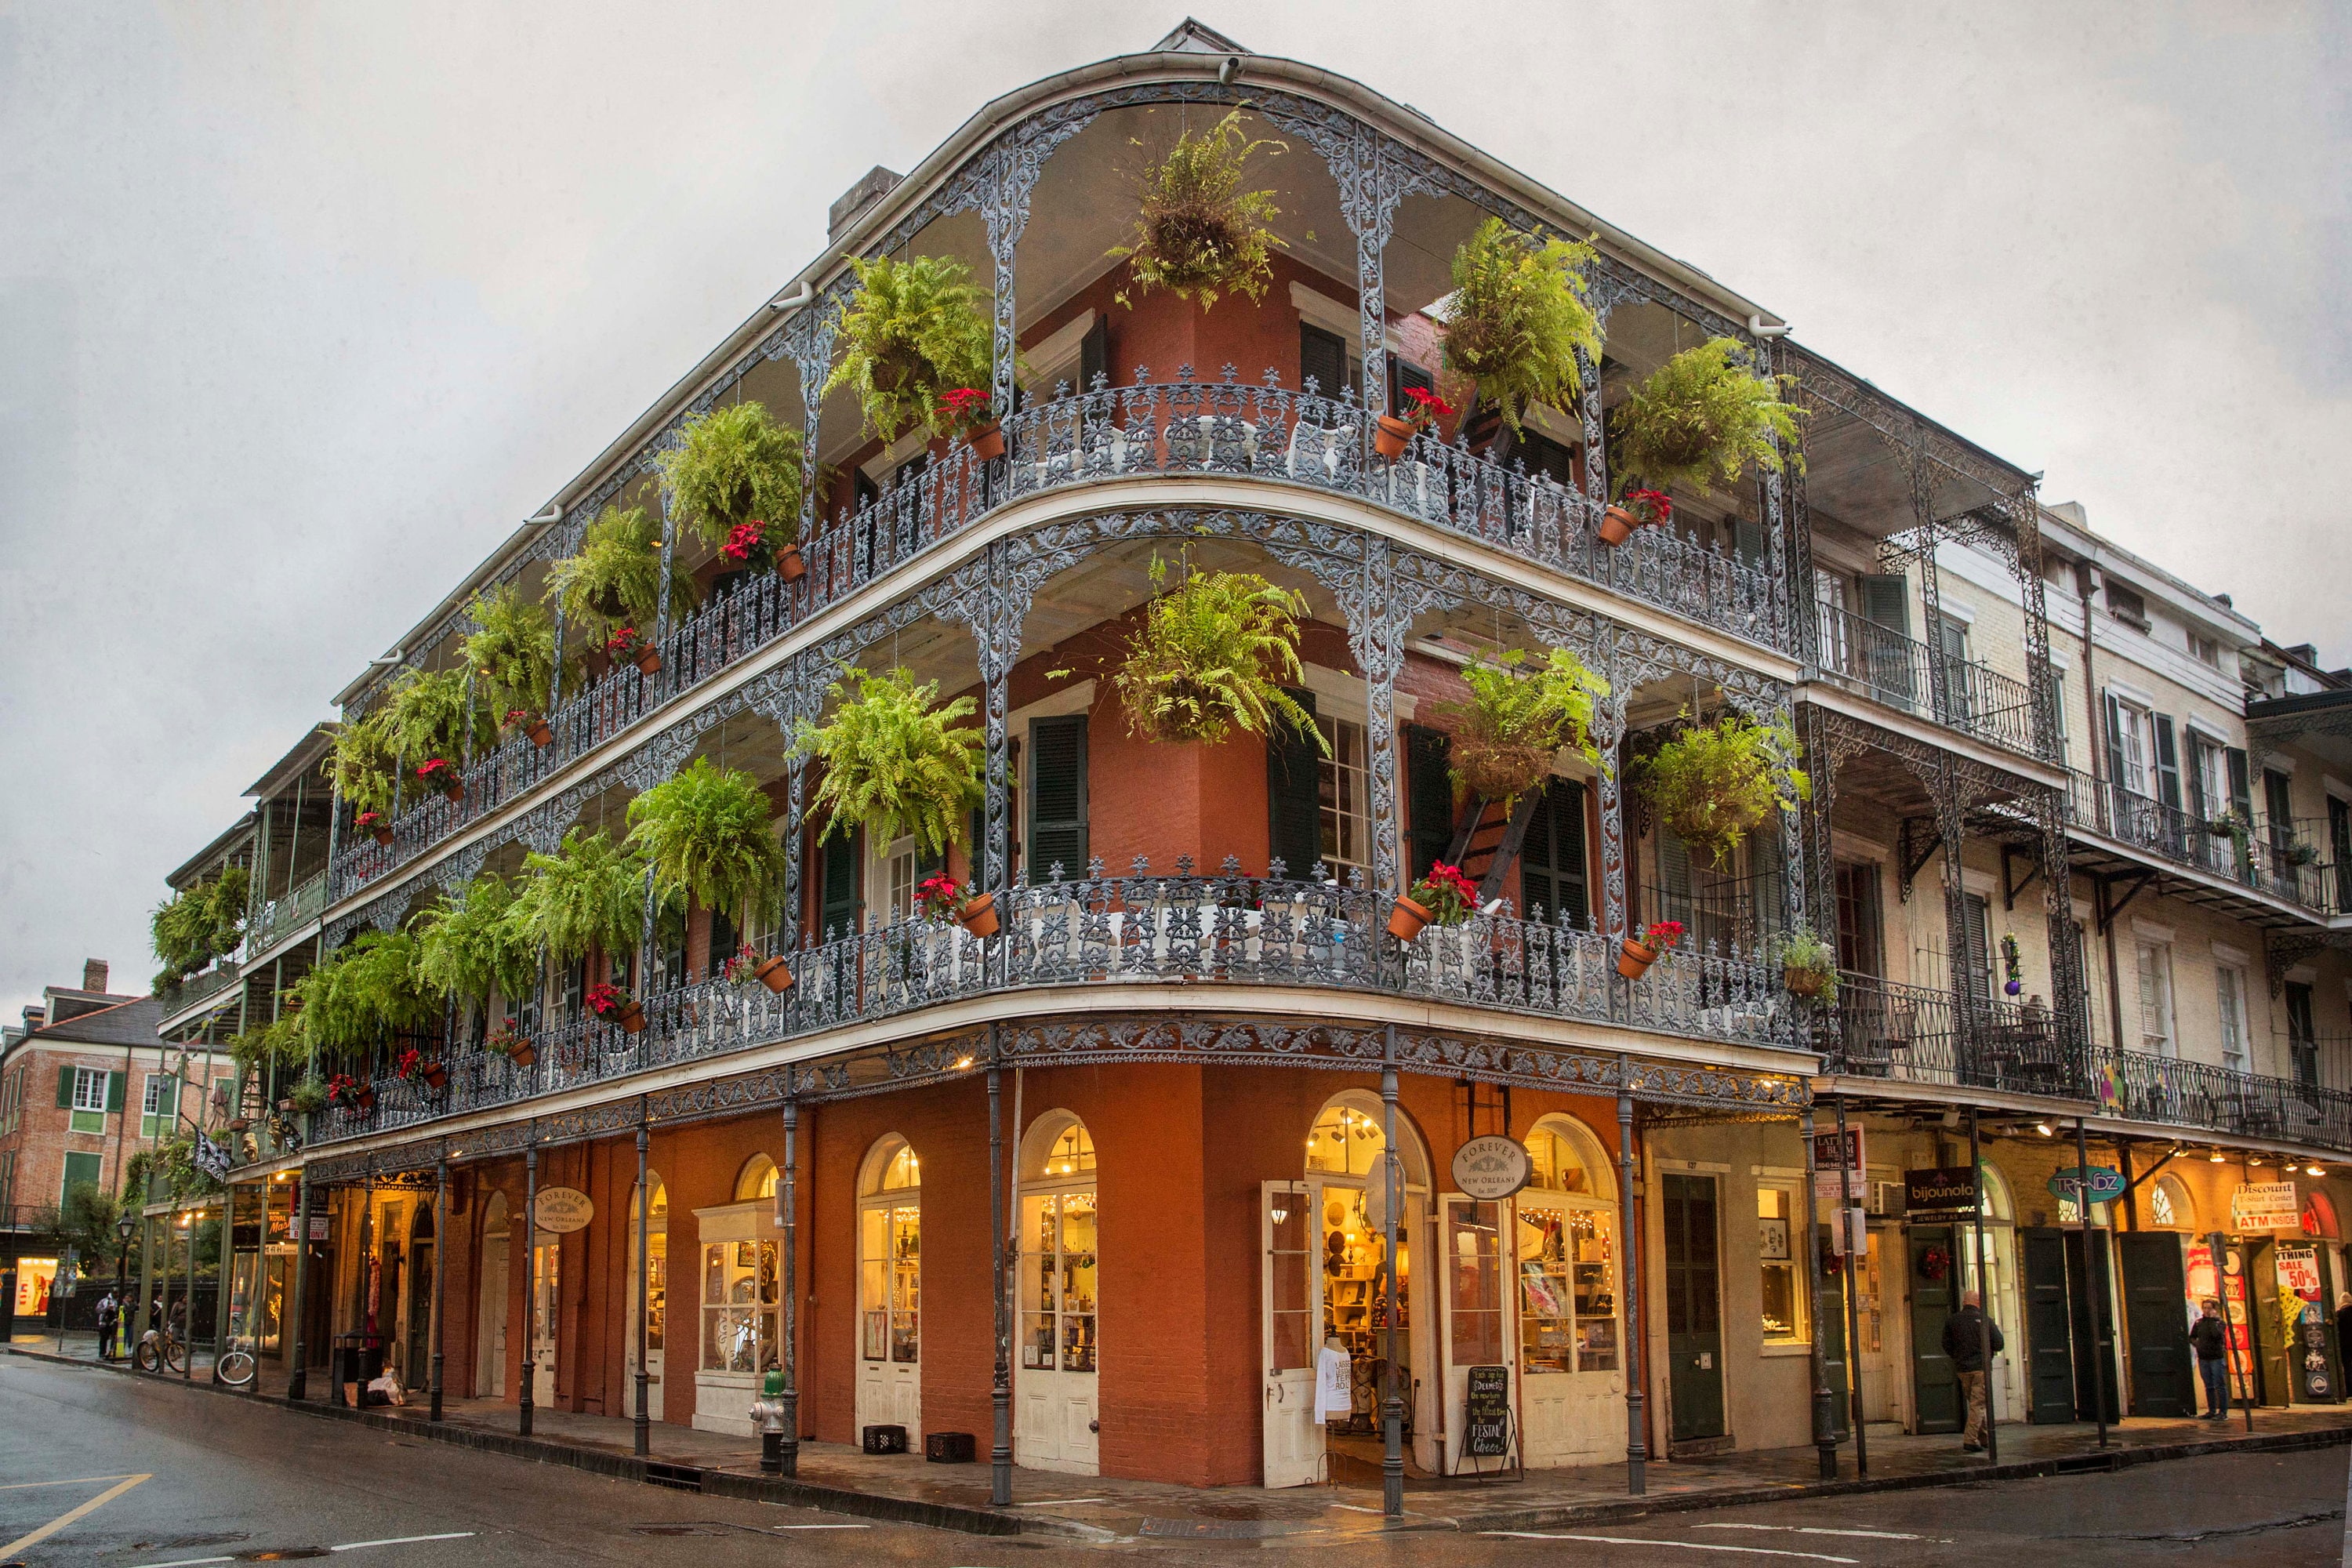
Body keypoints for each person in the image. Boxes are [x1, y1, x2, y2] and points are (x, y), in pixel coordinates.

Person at [1941, 1290, 2005, 1454]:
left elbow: (1946, 1344)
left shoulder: (1953, 1321)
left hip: (1963, 1369)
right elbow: (1998, 1344)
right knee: (1978, 1404)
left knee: (1976, 1403)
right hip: (1980, 1368)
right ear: (1977, 1302)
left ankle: (1983, 1438)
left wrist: (1957, 1356)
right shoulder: (1985, 1320)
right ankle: (1970, 1439)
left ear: (1964, 1302)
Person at [2192, 1298, 2232, 1421]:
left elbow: (2217, 1335)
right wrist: (2197, 1345)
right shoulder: (2199, 1323)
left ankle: (2223, 1412)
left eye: (2209, 1308)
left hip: (2216, 1357)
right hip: (2204, 1357)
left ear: (2214, 1309)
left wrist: (2212, 1319)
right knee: (2208, 1385)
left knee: (2219, 1384)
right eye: (2205, 1308)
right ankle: (2211, 1410)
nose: (2206, 1310)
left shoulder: (2219, 1323)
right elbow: (2192, 1336)